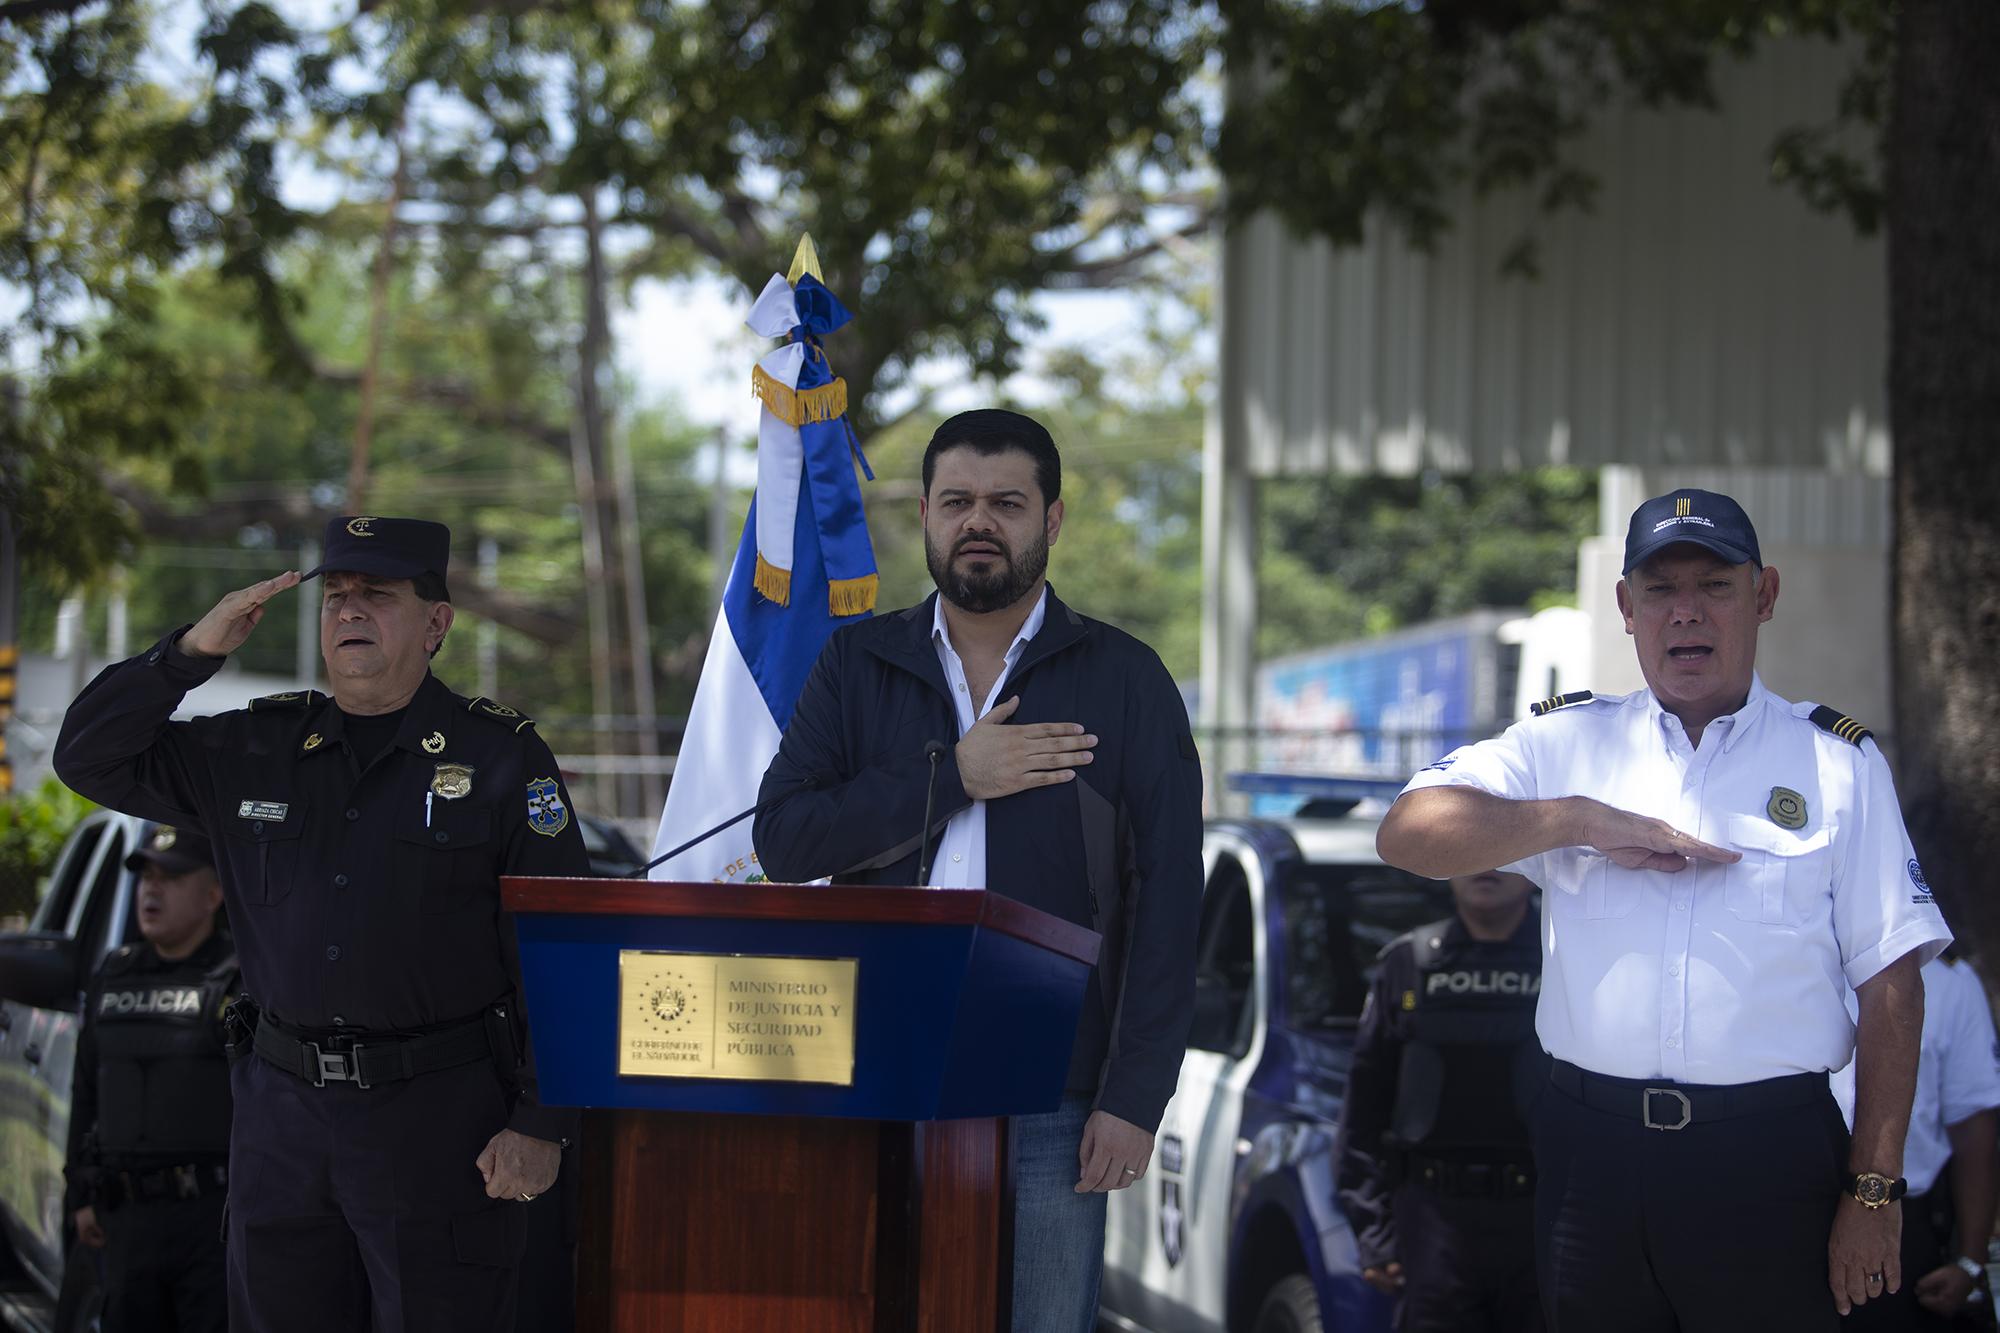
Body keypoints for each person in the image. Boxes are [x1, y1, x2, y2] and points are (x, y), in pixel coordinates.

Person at [1376, 487, 1950, 1332]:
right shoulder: (1564, 744)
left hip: (1768, 1156)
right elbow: (1407, 833)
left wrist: (1874, 1189)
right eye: (1660, 589)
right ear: (1626, 608)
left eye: (1715, 585)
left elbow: (1892, 981)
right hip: (1590, 1158)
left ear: (1764, 596)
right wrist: (1579, 819)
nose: (1688, 613)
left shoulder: (1836, 765)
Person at [53, 515, 590, 1333]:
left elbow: (561, 953)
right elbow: (87, 755)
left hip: (439, 1123)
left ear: (435, 623)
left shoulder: (501, 757)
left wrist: (540, 1122)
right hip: (282, 1125)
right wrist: (191, 653)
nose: (349, 612)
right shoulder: (252, 747)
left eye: (377, 595)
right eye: (336, 596)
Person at [751, 408, 1203, 1331]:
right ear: (924, 513)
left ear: (1053, 518)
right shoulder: (857, 663)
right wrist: (952, 776)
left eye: (1007, 501)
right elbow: (785, 839)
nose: (979, 521)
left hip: (1055, 1086)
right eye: (957, 501)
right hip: (878, 1063)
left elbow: (1169, 905)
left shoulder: (1124, 677)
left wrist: (1134, 1097)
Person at [1336, 869, 1546, 1332]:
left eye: (1504, 853)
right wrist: (1374, 1232)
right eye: (1473, 851)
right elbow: (1363, 1111)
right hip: (1434, 1225)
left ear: (1534, 869)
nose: (1486, 866)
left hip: (1544, 1224)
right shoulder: (1407, 964)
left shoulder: (1568, 961)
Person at [63, 824, 237, 1333]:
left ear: (213, 894)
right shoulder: (113, 975)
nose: (151, 889)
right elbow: (85, 1090)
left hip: (212, 1219)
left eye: (171, 878)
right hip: (126, 1219)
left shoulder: (239, 978)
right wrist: (80, 1193)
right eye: (147, 878)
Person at [1835, 952, 2000, 1331]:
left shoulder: (1950, 982)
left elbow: (1974, 1126)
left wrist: (1969, 1261)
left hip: (1901, 1223)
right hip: (1786, 1216)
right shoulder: (1781, 963)